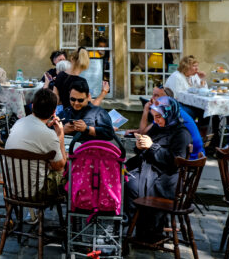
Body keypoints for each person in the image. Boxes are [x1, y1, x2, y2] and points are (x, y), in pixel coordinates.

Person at [125, 96, 192, 240]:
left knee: (130, 185)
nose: (156, 120)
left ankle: (136, 228)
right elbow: (145, 150)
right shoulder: (156, 128)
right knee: (122, 178)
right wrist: (140, 146)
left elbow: (175, 162)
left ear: (169, 113)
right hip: (150, 172)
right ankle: (127, 226)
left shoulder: (181, 134)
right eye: (154, 117)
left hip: (166, 180)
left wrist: (152, 147)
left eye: (159, 117)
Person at [5, 88, 66, 196]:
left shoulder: (19, 123)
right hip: (36, 193)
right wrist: (60, 135)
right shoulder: (50, 135)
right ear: (53, 112)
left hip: (12, 188)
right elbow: (60, 166)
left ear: (32, 106)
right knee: (67, 173)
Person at [136, 86, 205, 158]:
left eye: (156, 96)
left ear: (167, 99)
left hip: (190, 157)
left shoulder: (168, 116)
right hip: (186, 151)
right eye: (153, 95)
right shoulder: (171, 112)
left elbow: (143, 132)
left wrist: (146, 110)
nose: (152, 98)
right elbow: (148, 130)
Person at [62, 78, 115, 145]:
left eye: (80, 100)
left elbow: (109, 134)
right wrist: (62, 130)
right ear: (69, 95)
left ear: (88, 96)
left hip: (90, 151)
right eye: (73, 99)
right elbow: (49, 131)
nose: (76, 103)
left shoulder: (98, 113)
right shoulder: (65, 112)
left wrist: (87, 129)